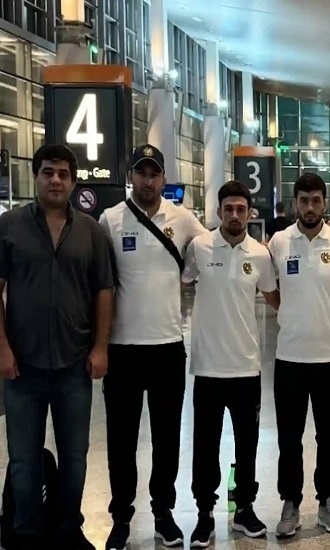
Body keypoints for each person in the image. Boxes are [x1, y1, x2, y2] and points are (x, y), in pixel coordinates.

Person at [0, 144, 115, 549]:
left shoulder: (91, 231)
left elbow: (104, 291)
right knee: (24, 457)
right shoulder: (10, 226)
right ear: (36, 177)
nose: (55, 180)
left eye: (63, 174)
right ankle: (27, 533)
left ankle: (68, 529)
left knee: (75, 456)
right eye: (48, 172)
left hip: (73, 364)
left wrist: (100, 348)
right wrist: (2, 348)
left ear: (74, 181)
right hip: (22, 366)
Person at [100, 144, 207, 550]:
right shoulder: (110, 220)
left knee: (166, 438)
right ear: (131, 176)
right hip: (122, 349)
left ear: (164, 178)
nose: (148, 180)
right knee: (121, 441)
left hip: (167, 348)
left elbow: (212, 250)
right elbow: (100, 283)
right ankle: (121, 518)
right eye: (141, 173)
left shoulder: (182, 219)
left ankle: (164, 513)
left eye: (154, 173)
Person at [181, 181, 278, 547]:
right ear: (219, 211)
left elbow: (275, 298)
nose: (235, 215)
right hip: (208, 368)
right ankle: (205, 514)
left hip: (246, 368)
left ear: (250, 212)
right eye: (228, 209)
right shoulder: (199, 247)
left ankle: (244, 510)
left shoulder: (261, 255)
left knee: (247, 445)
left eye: (241, 209)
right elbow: (181, 281)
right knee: (205, 445)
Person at [269, 173, 330, 538]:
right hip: (289, 358)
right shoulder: (278, 242)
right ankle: (290, 503)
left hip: (328, 358)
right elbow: (270, 291)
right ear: (295, 203)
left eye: (316, 200)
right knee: (289, 438)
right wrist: (291, 314)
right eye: (303, 200)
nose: (309, 207)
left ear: (324, 202)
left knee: (328, 437)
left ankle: (327, 501)